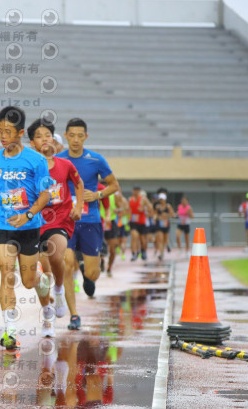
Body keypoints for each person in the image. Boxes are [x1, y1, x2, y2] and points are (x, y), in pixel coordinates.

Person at [0, 106, 53, 346]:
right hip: (3, 226)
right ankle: (11, 331)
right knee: (7, 274)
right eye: (0, 130)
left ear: (20, 133)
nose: (3, 136)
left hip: (29, 227)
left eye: (8, 131)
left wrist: (28, 215)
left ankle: (40, 283)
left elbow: (45, 195)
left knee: (28, 281)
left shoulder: (36, 160)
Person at [57, 118, 120, 329]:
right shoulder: (59, 160)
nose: (76, 140)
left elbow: (114, 185)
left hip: (90, 221)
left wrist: (98, 194)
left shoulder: (96, 159)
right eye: (72, 135)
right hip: (66, 221)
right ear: (66, 136)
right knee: (66, 265)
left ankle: (86, 270)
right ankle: (74, 315)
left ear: (86, 136)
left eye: (80, 135)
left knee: (93, 273)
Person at [27, 118, 84, 336]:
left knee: (57, 254)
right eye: (39, 136)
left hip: (59, 219)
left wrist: (78, 206)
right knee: (39, 276)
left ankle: (59, 289)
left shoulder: (65, 165)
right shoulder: (28, 167)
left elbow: (78, 183)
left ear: (53, 139)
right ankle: (47, 313)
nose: (44, 139)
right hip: (34, 222)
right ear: (32, 143)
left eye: (48, 135)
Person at [128, 186, 153, 261]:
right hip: (133, 222)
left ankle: (143, 251)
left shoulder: (143, 199)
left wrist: (144, 209)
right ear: (133, 191)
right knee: (134, 236)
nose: (135, 192)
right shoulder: (130, 199)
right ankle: (134, 253)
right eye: (134, 190)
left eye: (137, 190)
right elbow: (128, 209)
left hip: (142, 222)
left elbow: (150, 208)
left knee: (143, 240)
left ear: (139, 191)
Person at [154, 192, 175, 261]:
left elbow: (172, 215)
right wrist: (156, 217)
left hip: (165, 224)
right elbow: (155, 214)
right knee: (160, 239)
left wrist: (166, 215)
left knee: (165, 239)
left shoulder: (168, 206)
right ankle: (161, 253)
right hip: (159, 224)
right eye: (160, 199)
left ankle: (167, 245)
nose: (161, 201)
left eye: (162, 199)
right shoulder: (157, 207)